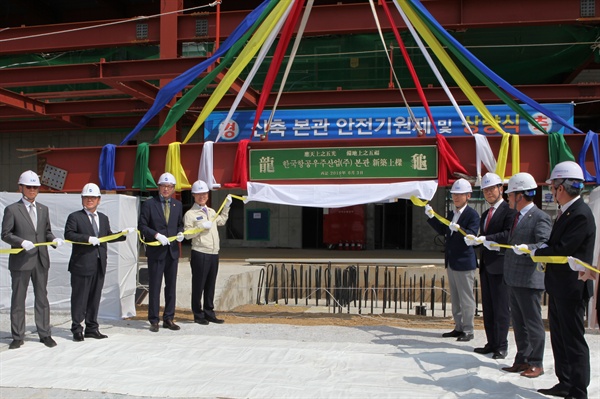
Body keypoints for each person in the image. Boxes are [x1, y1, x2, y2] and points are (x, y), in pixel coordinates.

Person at [534, 161, 595, 399]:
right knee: (559, 338)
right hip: (560, 287)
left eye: (552, 187)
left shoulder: (580, 213)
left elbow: (563, 248)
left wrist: (538, 252)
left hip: (571, 289)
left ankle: (578, 391)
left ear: (561, 187)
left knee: (573, 341)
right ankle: (565, 382)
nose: (551, 192)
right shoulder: (567, 212)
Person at [487, 172, 551, 379]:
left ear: (520, 196)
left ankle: (536, 362)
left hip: (528, 279)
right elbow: (510, 242)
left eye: (510, 194)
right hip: (513, 278)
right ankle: (522, 359)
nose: (507, 198)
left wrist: (528, 248)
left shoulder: (540, 217)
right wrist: (492, 244)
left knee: (532, 323)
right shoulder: (517, 217)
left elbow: (544, 244)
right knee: (519, 323)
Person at [1, 170, 64, 349]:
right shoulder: (12, 209)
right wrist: (20, 242)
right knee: (18, 299)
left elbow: (46, 231)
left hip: (40, 260)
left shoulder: (43, 209)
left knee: (42, 298)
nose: (32, 190)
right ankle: (17, 336)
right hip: (21, 260)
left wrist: (53, 240)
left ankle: (45, 334)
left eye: (35, 187)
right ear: (20, 187)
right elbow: (5, 234)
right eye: (29, 187)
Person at [64, 183, 133, 342]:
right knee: (79, 298)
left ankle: (91, 327)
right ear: (82, 199)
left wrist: (122, 235)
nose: (90, 200)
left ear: (99, 200)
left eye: (93, 197)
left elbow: (106, 235)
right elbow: (69, 234)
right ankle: (76, 327)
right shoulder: (75, 217)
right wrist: (87, 239)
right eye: (87, 197)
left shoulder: (103, 218)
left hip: (99, 264)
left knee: (95, 297)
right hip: (81, 265)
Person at [465, 173, 517, 360]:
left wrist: (485, 239)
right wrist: (475, 241)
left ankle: (502, 345)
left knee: (501, 307)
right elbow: (485, 239)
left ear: (500, 189)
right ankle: (491, 342)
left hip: (501, 265)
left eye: (491, 189)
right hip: (486, 265)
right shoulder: (486, 214)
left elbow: (507, 235)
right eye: (485, 190)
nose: (488, 193)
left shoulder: (509, 211)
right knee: (488, 307)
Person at [425, 178, 479, 341]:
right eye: (454, 194)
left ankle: (468, 330)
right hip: (452, 262)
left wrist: (460, 229)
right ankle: (458, 326)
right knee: (455, 298)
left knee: (466, 298)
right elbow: (444, 229)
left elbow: (471, 234)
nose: (456, 197)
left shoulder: (472, 215)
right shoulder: (452, 213)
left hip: (464, 262)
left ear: (468, 196)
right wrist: (432, 217)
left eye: (460, 194)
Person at [138, 172, 185, 332]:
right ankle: (154, 320)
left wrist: (180, 233)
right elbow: (142, 226)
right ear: (159, 187)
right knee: (155, 286)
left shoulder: (177, 205)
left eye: (169, 186)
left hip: (172, 252)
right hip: (156, 252)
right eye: (163, 186)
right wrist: (156, 235)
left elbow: (180, 224)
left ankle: (169, 318)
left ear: (173, 189)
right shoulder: (149, 204)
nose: (166, 189)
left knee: (171, 286)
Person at [183, 180, 231, 325]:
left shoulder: (211, 212)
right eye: (198, 194)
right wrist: (200, 228)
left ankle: (209, 312)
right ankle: (198, 314)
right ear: (193, 195)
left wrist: (226, 207)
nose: (202, 197)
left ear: (207, 195)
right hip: (200, 252)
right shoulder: (190, 214)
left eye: (204, 194)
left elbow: (221, 221)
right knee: (199, 285)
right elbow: (186, 234)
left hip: (213, 253)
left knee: (211, 284)